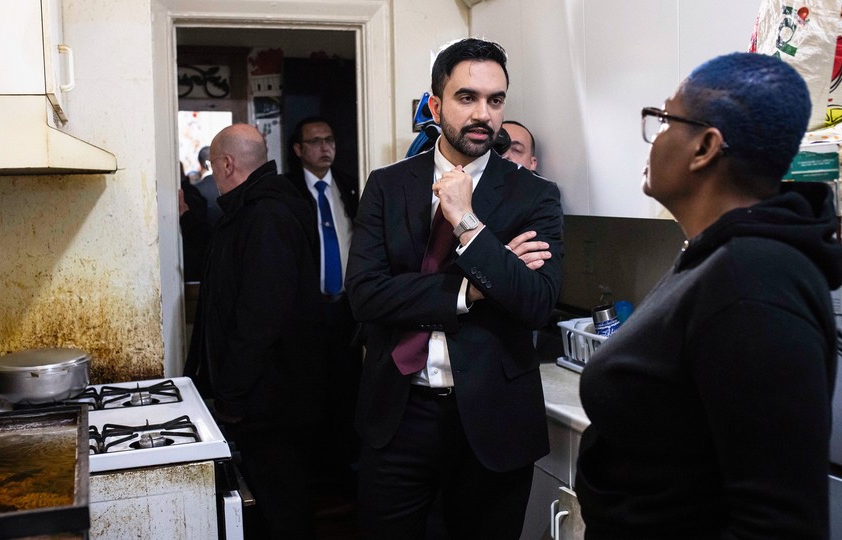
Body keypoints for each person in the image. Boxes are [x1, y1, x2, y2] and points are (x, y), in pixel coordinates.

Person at [575, 52, 842, 539]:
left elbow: (777, 523)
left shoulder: (753, 280)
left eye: (663, 118)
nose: (654, 134)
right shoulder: (717, 258)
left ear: (704, 147)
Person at [345, 37, 563, 539]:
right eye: (467, 98)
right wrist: (474, 290)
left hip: (494, 420)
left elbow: (535, 302)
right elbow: (365, 295)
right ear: (436, 104)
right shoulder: (388, 184)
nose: (483, 113)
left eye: (495, 99)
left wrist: (467, 222)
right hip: (399, 415)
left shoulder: (535, 196)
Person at [184, 124, 328, 539]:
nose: (212, 175)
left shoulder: (268, 214)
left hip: (272, 400)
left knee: (284, 504)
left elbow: (260, 316)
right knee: (277, 499)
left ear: (227, 164)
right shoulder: (254, 208)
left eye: (213, 166)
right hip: (267, 396)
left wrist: (230, 393)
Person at [286, 116, 362, 498]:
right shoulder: (288, 191)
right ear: (299, 149)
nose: (325, 147)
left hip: (347, 308)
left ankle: (344, 470)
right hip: (307, 309)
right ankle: (312, 472)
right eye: (315, 142)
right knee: (309, 391)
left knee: (348, 388)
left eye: (329, 140)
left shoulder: (349, 185)